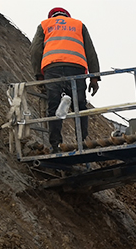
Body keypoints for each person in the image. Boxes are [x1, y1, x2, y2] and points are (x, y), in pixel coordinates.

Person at [29, 7, 100, 151]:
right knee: (79, 106)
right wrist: (94, 77)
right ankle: (82, 142)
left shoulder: (45, 25)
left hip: (53, 68)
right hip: (76, 68)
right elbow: (90, 51)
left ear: (52, 16)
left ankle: (56, 144)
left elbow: (35, 50)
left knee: (54, 106)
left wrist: (39, 75)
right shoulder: (78, 25)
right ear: (68, 16)